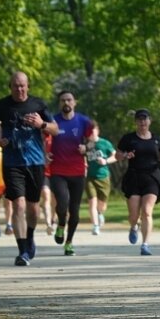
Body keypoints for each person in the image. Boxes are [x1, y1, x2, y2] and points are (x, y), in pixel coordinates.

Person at [0, 71, 57, 266]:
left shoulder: (38, 104)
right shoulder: (2, 105)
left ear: (28, 86)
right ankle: (22, 251)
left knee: (33, 208)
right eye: (15, 86)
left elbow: (56, 129)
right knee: (18, 205)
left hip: (35, 162)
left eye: (22, 85)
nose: (19, 89)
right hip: (12, 162)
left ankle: (30, 237)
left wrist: (41, 123)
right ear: (10, 87)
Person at [116, 108, 160, 256]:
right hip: (133, 177)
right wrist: (126, 155)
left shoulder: (157, 139)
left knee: (147, 211)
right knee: (134, 215)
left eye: (145, 119)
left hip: (152, 178)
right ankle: (134, 226)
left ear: (149, 121)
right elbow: (117, 155)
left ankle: (145, 244)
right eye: (139, 119)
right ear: (135, 122)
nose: (142, 122)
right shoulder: (128, 138)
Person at [50, 90, 93, 256]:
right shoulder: (53, 121)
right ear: (59, 103)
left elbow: (91, 141)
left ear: (75, 102)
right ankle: (61, 224)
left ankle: (69, 242)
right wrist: (46, 153)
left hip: (77, 171)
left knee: (74, 210)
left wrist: (86, 147)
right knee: (62, 203)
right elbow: (44, 139)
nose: (66, 103)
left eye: (69, 100)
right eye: (62, 100)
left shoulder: (83, 121)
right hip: (58, 170)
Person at [85, 121, 117, 236]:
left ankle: (100, 213)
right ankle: (95, 226)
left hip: (103, 177)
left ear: (97, 131)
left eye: (93, 130)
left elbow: (115, 155)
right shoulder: (86, 145)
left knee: (102, 204)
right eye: (89, 131)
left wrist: (106, 161)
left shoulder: (105, 143)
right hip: (90, 177)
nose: (91, 133)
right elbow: (81, 157)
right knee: (92, 202)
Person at [41, 132, 56, 237]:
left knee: (55, 201)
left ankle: (52, 219)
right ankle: (48, 224)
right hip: (43, 173)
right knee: (46, 196)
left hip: (57, 172)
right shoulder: (37, 138)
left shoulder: (57, 139)